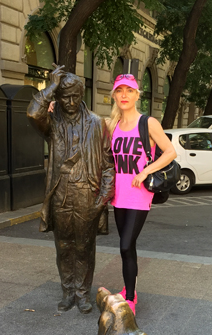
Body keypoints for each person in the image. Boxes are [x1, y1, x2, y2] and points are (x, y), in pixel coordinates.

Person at [27, 65, 115, 314]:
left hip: (88, 193)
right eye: (65, 96)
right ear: (57, 97)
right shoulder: (52, 123)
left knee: (84, 246)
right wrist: (50, 87)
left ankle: (82, 293)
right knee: (63, 245)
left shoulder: (98, 124)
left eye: (75, 96)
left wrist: (102, 199)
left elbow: (109, 165)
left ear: (82, 95)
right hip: (61, 193)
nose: (71, 101)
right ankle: (67, 291)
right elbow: (33, 114)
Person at [106, 74, 176, 315]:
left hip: (139, 195)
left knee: (125, 245)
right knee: (128, 245)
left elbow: (170, 152)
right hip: (118, 195)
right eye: (119, 90)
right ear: (114, 95)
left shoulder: (147, 123)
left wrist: (146, 171)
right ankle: (128, 289)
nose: (124, 95)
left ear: (137, 95)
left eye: (129, 90)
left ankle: (131, 298)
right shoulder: (112, 125)